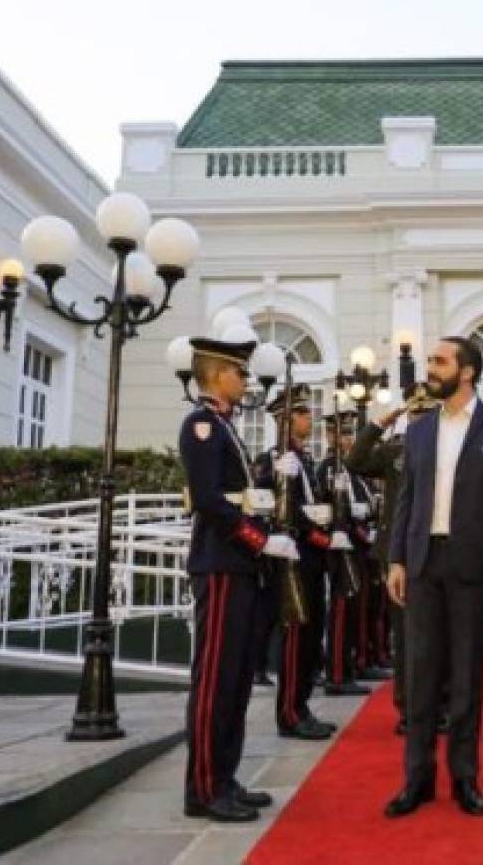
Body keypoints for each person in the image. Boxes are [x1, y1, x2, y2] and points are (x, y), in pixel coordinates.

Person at [384, 338, 483, 818]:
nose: (430, 369)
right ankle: (416, 780)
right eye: (430, 362)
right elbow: (406, 499)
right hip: (423, 564)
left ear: (466, 372)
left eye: (439, 362)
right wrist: (396, 559)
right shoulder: (419, 430)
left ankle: (465, 778)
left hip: (472, 568)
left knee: (466, 678)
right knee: (420, 676)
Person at [179, 337, 292, 822]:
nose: (246, 381)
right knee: (215, 682)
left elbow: (240, 494)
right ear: (219, 373)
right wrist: (257, 540)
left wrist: (268, 484)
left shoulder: (225, 427)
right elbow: (208, 499)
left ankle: (224, 777)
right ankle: (204, 787)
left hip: (240, 567)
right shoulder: (202, 425)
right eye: (240, 373)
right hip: (222, 564)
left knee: (238, 680)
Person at [346, 382, 444, 736]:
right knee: (404, 636)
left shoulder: (449, 450)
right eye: (415, 412)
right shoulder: (394, 451)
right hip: (399, 553)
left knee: (439, 634)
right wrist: (377, 425)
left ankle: (441, 706)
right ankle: (408, 708)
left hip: (438, 550)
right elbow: (354, 460)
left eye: (427, 412)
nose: (421, 418)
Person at [254, 384, 350, 741]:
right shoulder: (273, 458)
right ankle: (289, 712)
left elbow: (309, 504)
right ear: (284, 419)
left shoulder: (305, 459)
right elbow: (271, 504)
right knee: (296, 637)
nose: (309, 418)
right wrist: (274, 475)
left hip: (311, 559)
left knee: (311, 637)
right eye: (302, 412)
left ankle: (302, 704)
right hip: (291, 558)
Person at [316, 411, 373, 696]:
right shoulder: (329, 467)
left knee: (352, 610)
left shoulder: (350, 469)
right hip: (340, 546)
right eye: (342, 434)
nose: (348, 439)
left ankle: (348, 668)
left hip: (356, 544)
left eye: (350, 434)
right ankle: (337, 675)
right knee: (340, 611)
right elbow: (330, 505)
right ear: (330, 436)